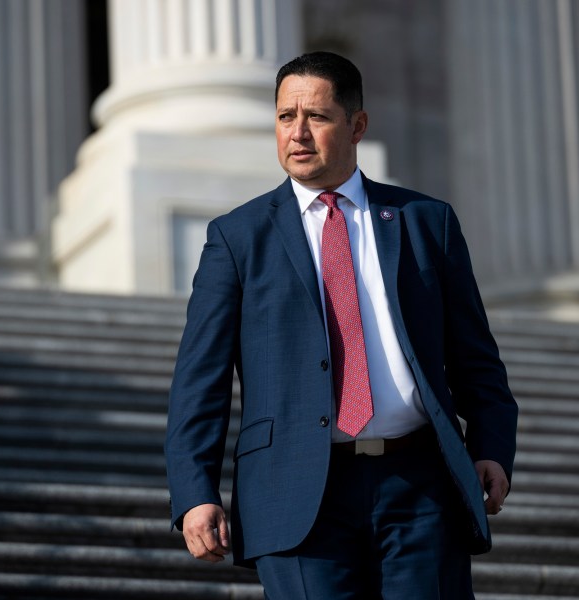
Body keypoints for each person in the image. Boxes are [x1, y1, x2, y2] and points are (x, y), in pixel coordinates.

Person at [165, 51, 518, 599]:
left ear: (357, 125)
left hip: (420, 485)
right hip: (294, 490)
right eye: (285, 117)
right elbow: (199, 380)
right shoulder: (238, 238)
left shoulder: (427, 222)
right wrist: (194, 490)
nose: (298, 133)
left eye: (317, 117)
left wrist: (491, 446)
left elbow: (475, 357)